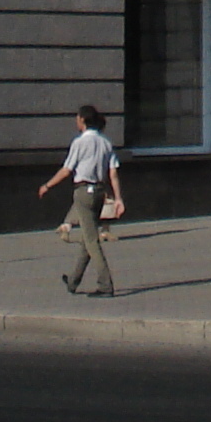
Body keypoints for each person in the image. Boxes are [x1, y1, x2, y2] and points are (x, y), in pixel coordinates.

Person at [36, 103, 123, 297]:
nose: (76, 121)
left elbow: (67, 170)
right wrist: (118, 198)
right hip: (100, 192)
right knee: (87, 238)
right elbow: (113, 173)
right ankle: (73, 281)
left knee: (91, 241)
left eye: (77, 118)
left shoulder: (79, 143)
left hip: (83, 192)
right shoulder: (106, 142)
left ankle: (105, 285)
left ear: (82, 120)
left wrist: (47, 185)